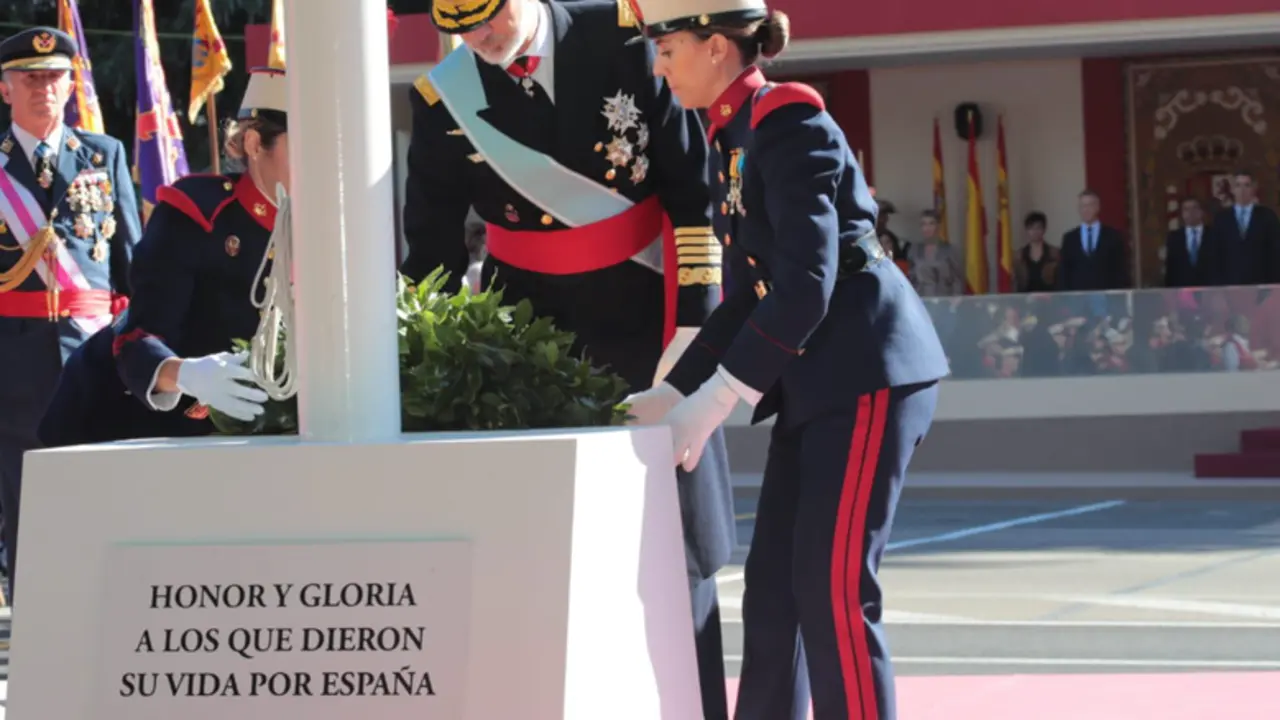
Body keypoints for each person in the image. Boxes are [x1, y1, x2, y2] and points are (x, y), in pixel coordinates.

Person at [407, 2, 736, 715]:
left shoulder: (622, 38)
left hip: (651, 335)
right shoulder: (441, 100)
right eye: (461, 27)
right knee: (539, 565)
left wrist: (693, 343)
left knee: (679, 556)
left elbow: (692, 197)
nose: (477, 39)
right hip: (528, 352)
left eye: (488, 19)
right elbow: (428, 262)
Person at [622, 1, 950, 718]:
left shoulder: (788, 122)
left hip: (867, 369)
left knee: (833, 591)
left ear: (716, 47)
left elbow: (807, 281)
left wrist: (717, 400)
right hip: (816, 377)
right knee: (773, 589)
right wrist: (672, 389)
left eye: (670, 48)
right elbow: (751, 290)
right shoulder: (730, 133)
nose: (660, 65)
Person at [0, 27, 141, 599]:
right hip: (13, 362)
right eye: (29, 78)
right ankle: (36, 615)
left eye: (54, 76)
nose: (43, 88)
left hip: (93, 352)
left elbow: (132, 263)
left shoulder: (103, 154)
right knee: (23, 494)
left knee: (101, 492)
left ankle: (107, 605)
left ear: (70, 84)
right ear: (5, 89)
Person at [88, 68, 292, 443]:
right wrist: (184, 373)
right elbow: (137, 340)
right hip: (186, 437)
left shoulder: (331, 226)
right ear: (253, 144)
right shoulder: (198, 214)